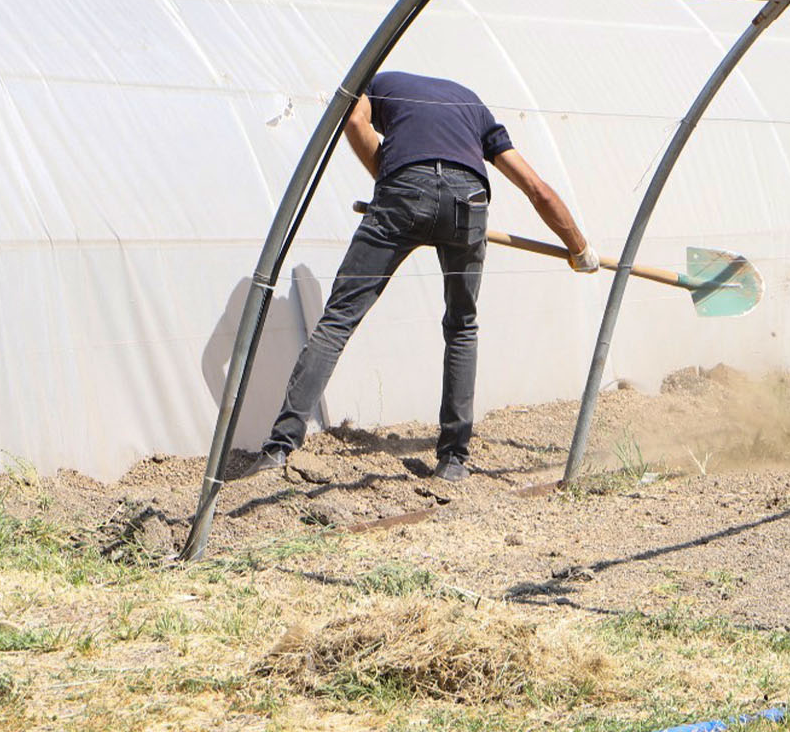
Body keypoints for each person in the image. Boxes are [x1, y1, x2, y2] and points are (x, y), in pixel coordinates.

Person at [241, 71, 597, 483]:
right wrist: (579, 248)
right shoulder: (473, 105)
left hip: (401, 194)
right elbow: (538, 189)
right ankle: (453, 462)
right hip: (469, 201)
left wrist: (394, 181)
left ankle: (280, 448)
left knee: (338, 322)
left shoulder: (376, 81)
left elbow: (355, 123)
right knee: (462, 326)